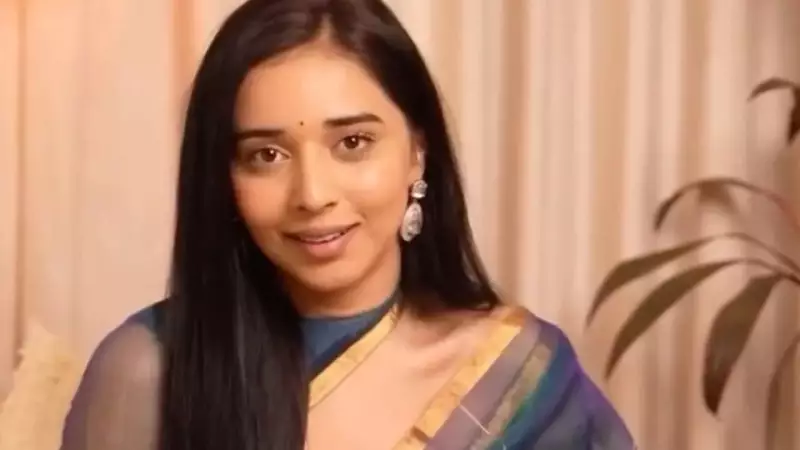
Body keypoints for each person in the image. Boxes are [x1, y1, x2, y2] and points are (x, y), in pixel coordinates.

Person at [60, 0, 634, 449]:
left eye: (353, 143)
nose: (313, 195)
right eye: (266, 155)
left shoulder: (516, 378)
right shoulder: (149, 372)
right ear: (223, 178)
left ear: (417, 152)